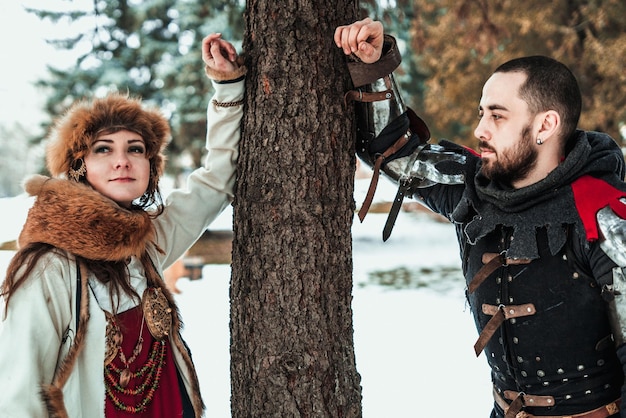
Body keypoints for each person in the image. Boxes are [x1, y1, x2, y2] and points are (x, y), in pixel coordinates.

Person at [335, 18, 626, 418]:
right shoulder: (475, 190)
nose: (479, 129)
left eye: (497, 116)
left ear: (545, 124)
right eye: (481, 113)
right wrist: (373, 66)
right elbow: (396, 155)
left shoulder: (605, 218)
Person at [0, 33, 245, 417]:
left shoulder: (146, 240)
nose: (122, 161)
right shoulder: (49, 266)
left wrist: (228, 87)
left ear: (151, 166)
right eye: (104, 149)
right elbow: (19, 395)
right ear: (79, 167)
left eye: (135, 149)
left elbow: (215, 182)